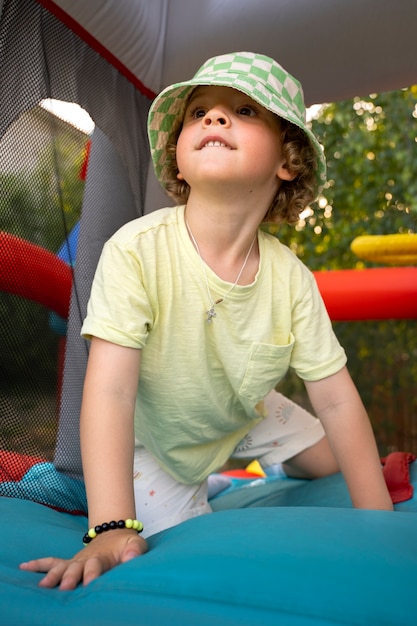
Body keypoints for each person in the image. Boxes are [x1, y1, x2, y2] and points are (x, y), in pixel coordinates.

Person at [20, 51, 393, 590]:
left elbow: (336, 399)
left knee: (334, 461)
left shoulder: (291, 279)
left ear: (287, 161)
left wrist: (379, 522)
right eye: (198, 113)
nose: (214, 119)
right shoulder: (137, 250)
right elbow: (110, 393)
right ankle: (209, 481)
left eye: (243, 110)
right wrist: (110, 525)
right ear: (177, 160)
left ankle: (237, 467)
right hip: (157, 438)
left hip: (242, 411)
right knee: (171, 554)